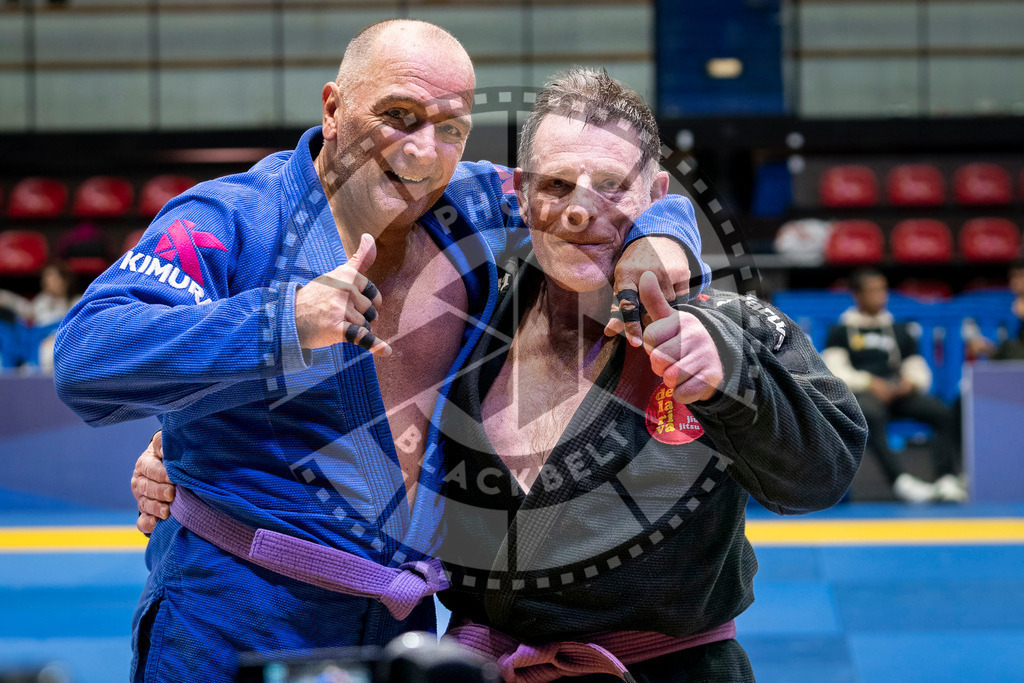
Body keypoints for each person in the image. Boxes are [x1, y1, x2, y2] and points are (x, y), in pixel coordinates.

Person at [136, 67, 865, 682]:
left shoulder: (726, 323)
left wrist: (729, 380)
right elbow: (361, 403)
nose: (580, 209)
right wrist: (189, 449)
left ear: (658, 195)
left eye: (611, 184)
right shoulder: (475, 311)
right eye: (557, 184)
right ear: (521, 194)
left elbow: (822, 472)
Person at [54, 21, 708, 683]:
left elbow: (603, 191)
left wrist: (667, 235)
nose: (425, 152)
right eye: (399, 116)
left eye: (451, 128)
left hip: (400, 626)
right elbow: (88, 353)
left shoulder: (475, 208)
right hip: (234, 610)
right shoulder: (231, 218)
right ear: (333, 108)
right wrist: (281, 321)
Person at [822, 269, 965, 503]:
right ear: (857, 295)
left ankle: (946, 478)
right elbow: (835, 372)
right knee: (869, 416)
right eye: (872, 291)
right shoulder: (840, 331)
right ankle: (901, 482)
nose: (880, 296)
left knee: (942, 412)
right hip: (864, 394)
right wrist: (870, 383)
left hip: (898, 392)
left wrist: (910, 383)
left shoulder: (900, 330)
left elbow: (917, 368)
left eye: (882, 290)